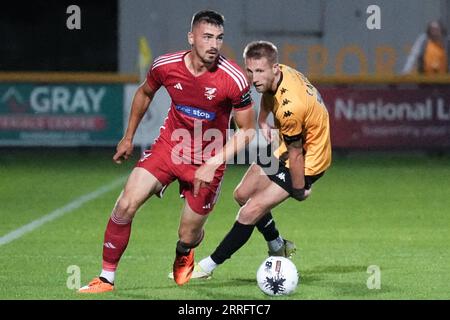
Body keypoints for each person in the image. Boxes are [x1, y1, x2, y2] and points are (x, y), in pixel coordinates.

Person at [78, 11, 292, 293]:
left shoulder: (234, 79)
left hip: (208, 161)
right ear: (191, 37)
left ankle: (185, 251)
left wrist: (212, 163)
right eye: (207, 37)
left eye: (219, 38)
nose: (214, 44)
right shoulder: (165, 65)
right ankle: (106, 278)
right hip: (169, 148)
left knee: (188, 234)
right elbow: (144, 93)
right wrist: (128, 137)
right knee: (125, 205)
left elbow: (247, 131)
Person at [188, 40, 332, 279]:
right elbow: (270, 93)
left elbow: (296, 155)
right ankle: (278, 244)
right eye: (250, 70)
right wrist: (264, 120)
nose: (253, 78)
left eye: (259, 71)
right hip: (287, 146)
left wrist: (299, 190)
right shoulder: (280, 72)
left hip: (308, 160)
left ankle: (207, 266)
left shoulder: (290, 107)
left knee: (249, 212)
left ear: (273, 69)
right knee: (241, 195)